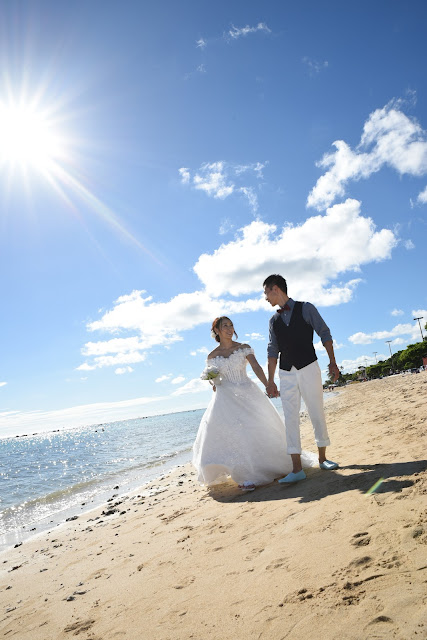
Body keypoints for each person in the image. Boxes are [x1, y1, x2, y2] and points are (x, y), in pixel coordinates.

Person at [192, 316, 317, 490]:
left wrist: (267, 384)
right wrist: (213, 381)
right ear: (217, 331)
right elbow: (212, 379)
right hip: (224, 397)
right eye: (224, 326)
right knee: (231, 433)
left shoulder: (243, 348)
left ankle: (259, 470)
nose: (229, 328)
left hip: (247, 392)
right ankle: (242, 474)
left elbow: (256, 367)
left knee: (255, 429)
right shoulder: (212, 356)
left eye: (231, 325)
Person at [263, 274, 340, 484]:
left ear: (275, 289)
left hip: (309, 367)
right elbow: (272, 350)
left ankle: (323, 459)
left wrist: (332, 362)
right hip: (286, 372)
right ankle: (297, 469)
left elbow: (324, 333)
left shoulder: (306, 308)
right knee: (290, 418)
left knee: (316, 411)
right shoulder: (273, 320)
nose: (265, 298)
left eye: (266, 292)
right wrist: (270, 381)